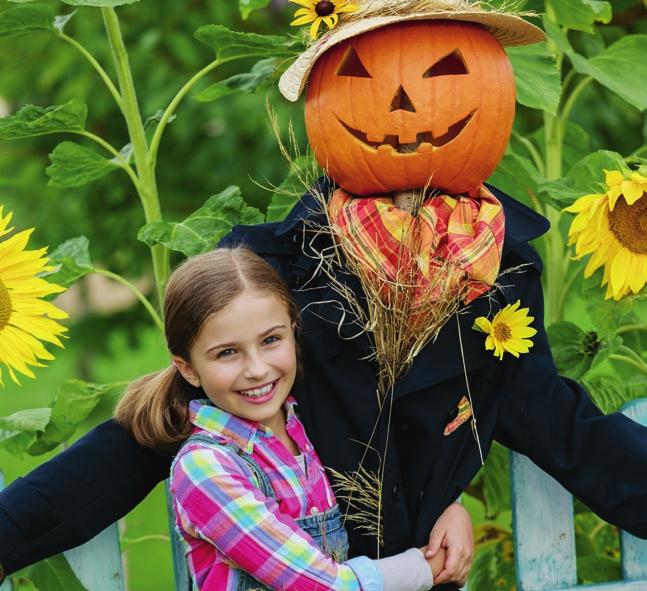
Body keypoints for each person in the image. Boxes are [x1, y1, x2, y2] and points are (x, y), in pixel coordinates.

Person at [114, 247, 450, 591]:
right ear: (188, 368)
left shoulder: (310, 423)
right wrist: (424, 568)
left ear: (294, 332)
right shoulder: (206, 468)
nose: (257, 369)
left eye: (271, 340)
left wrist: (447, 509)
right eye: (227, 353)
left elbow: (395, 475)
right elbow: (322, 586)